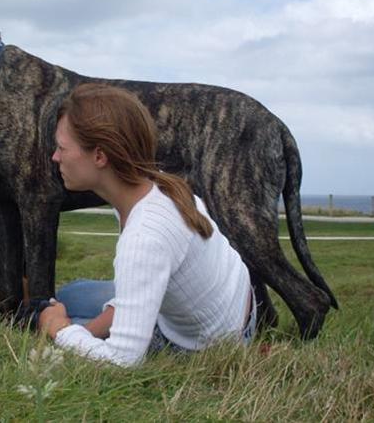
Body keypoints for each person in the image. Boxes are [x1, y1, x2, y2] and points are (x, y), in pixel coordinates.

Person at [38, 83, 256, 367]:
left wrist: (61, 330)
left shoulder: (145, 234)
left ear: (100, 156)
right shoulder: (148, 186)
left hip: (211, 344)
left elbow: (123, 361)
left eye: (62, 148)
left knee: (61, 317)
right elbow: (145, 277)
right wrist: (83, 332)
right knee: (69, 295)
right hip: (235, 307)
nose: (55, 157)